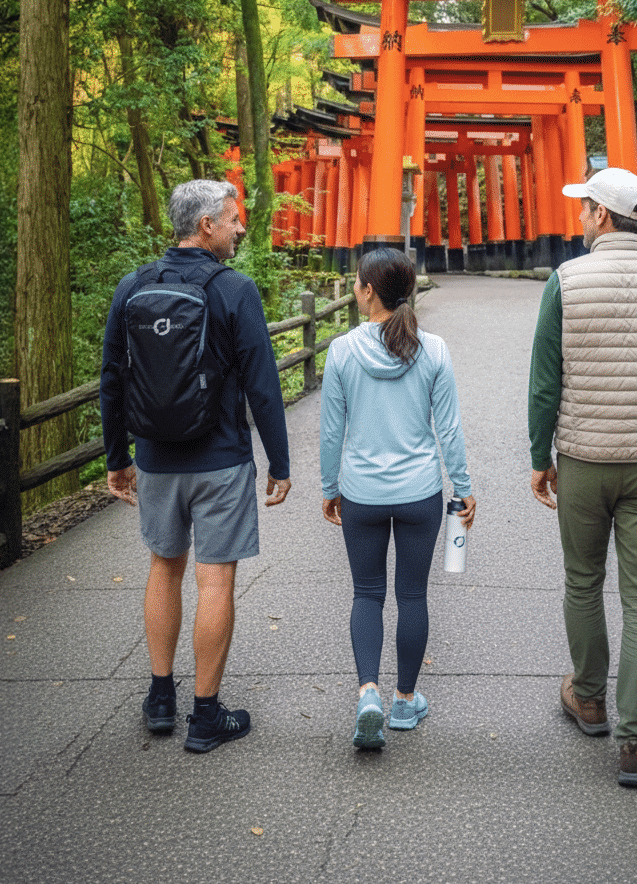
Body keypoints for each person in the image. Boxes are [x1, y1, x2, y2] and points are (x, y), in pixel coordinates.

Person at [526, 167, 637, 788]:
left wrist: (540, 455)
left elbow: (545, 379)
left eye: (585, 208)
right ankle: (636, 742)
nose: (580, 217)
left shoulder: (566, 281)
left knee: (583, 582)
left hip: (584, 458)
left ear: (602, 215)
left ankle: (589, 699)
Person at [100, 180, 292, 753]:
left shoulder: (133, 285)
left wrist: (118, 457)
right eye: (233, 219)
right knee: (216, 579)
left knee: (164, 568)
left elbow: (112, 378)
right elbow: (262, 383)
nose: (241, 228)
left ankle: (161, 699)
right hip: (221, 460)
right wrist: (279, 462)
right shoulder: (235, 290)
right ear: (206, 225)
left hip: (156, 459)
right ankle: (206, 714)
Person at [320, 247, 474, 749]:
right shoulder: (434, 349)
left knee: (367, 594)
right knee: (412, 596)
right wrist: (463, 488)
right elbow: (449, 429)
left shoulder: (342, 351)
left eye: (357, 282)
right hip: (419, 493)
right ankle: (405, 701)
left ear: (368, 291)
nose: (355, 288)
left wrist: (329, 487)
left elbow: (331, 431)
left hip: (361, 493)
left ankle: (368, 693)